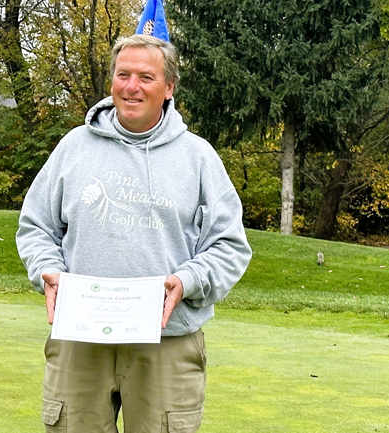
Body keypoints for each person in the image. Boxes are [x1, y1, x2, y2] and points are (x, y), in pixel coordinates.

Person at [16, 34, 252, 433]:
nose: (131, 86)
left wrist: (187, 280)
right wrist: (47, 269)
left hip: (168, 343)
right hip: (80, 340)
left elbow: (229, 246)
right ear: (112, 82)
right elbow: (36, 226)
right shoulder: (74, 147)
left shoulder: (198, 158)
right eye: (123, 74)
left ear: (169, 87)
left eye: (146, 76)